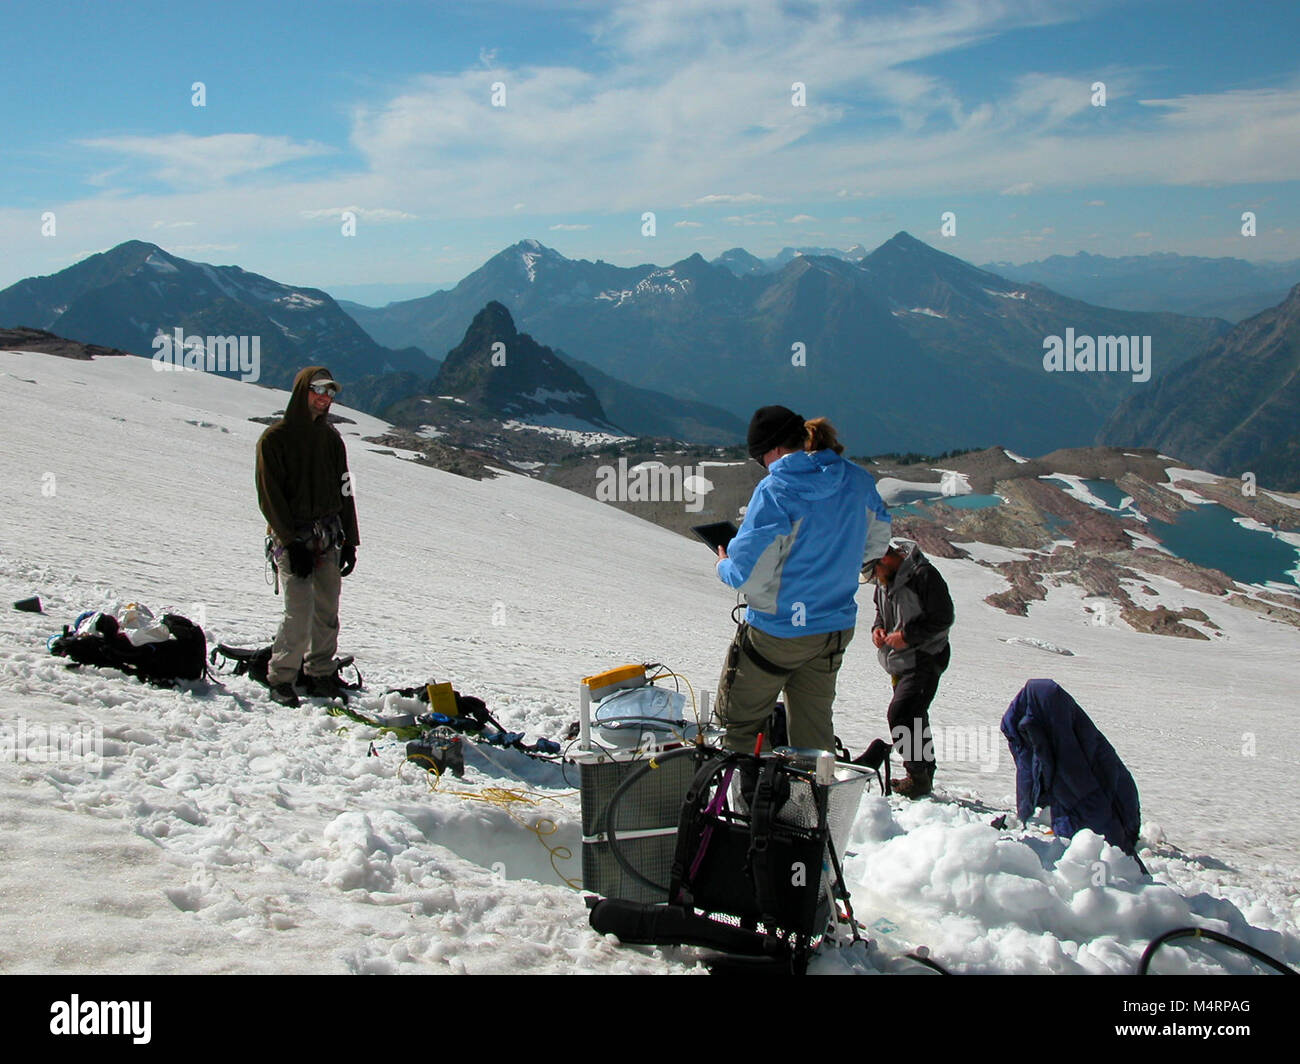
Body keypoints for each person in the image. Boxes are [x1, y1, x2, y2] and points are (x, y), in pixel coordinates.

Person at [714, 405, 891, 754]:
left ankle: (750, 803)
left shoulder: (776, 490)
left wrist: (724, 563)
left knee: (740, 725)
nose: (763, 464)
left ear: (776, 449)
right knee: (813, 734)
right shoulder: (857, 479)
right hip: (833, 628)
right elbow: (877, 544)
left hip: (778, 632)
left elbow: (748, 576)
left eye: (760, 456)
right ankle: (814, 805)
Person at [255, 366, 359, 706]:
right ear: (303, 391)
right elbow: (270, 497)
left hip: (329, 536)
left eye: (331, 393)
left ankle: (320, 673)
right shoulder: (275, 439)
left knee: (327, 609)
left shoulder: (331, 440)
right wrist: (290, 540)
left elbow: (345, 490)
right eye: (319, 390)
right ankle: (282, 677)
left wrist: (351, 542)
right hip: (295, 538)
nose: (326, 398)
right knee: (298, 610)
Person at [868, 541, 953, 797]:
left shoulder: (923, 575)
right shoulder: (886, 582)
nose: (875, 579)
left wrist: (907, 636)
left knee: (901, 714)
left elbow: (943, 617)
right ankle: (923, 775)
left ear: (885, 559)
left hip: (924, 658)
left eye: (874, 572)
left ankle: (917, 777)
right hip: (902, 662)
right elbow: (880, 612)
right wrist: (877, 629)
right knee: (915, 716)